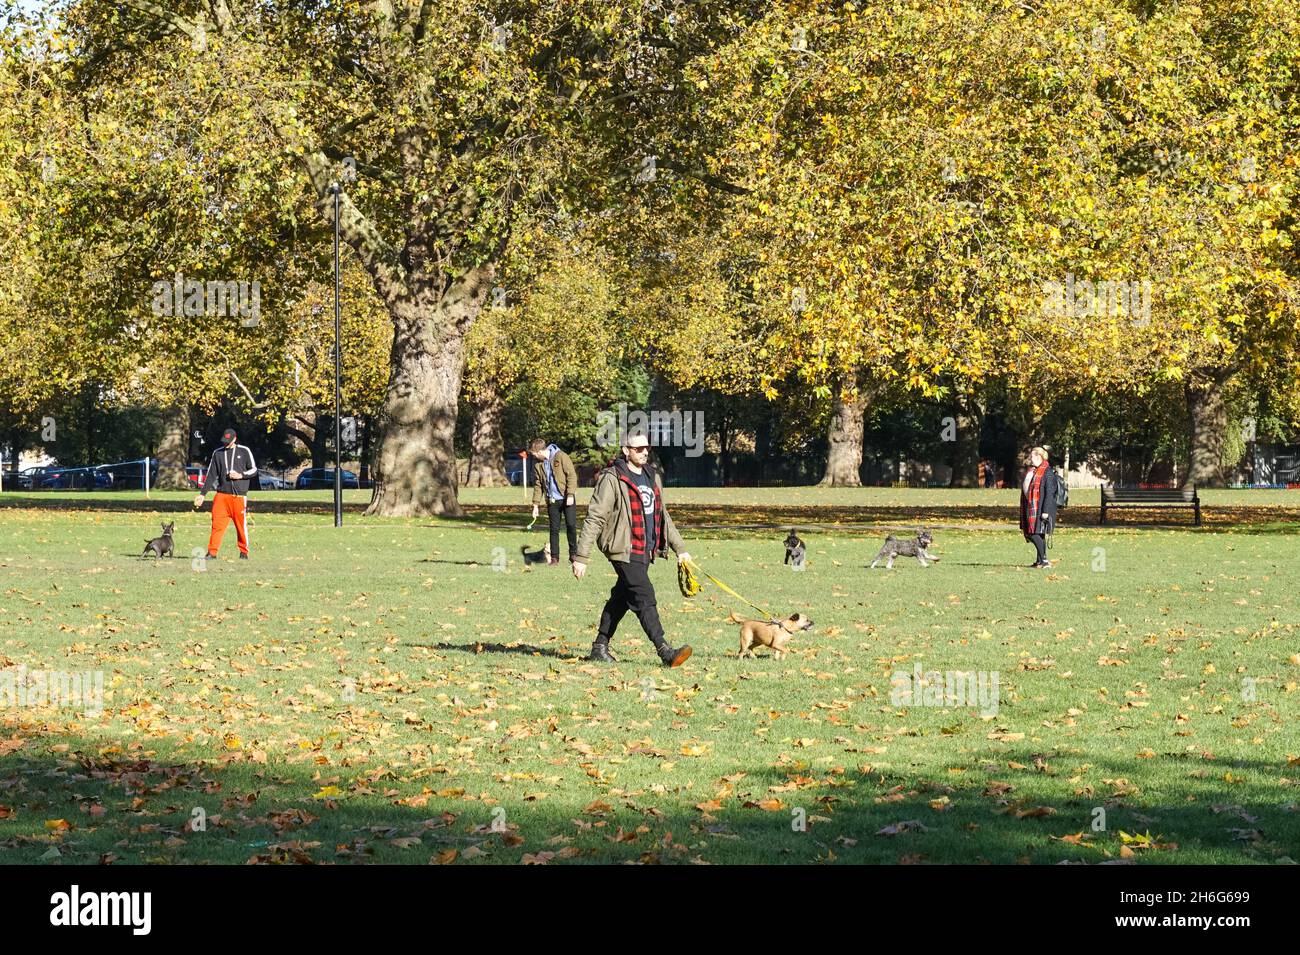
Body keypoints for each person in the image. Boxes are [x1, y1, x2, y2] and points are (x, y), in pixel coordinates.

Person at [572, 431, 693, 667]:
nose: (645, 452)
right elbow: (595, 517)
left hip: (646, 549)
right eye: (638, 448)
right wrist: (581, 556)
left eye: (647, 448)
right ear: (626, 450)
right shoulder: (612, 478)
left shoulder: (651, 476)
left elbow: (662, 516)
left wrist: (680, 548)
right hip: (623, 548)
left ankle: (599, 646)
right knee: (644, 595)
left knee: (621, 598)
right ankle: (665, 650)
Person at [193, 427, 258, 560]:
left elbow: (254, 470)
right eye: (224, 440)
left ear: (234, 439)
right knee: (217, 524)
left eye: (228, 441)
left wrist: (240, 475)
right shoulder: (218, 453)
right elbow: (211, 474)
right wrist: (202, 494)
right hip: (222, 495)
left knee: (240, 525)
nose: (225, 443)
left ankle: (243, 551)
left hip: (238, 496)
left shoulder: (244, 451)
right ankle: (212, 552)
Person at [529, 438, 579, 565]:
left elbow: (572, 475)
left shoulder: (561, 456)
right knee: (554, 529)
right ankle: (554, 558)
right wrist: (535, 505)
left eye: (534, 454)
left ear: (540, 451)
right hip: (552, 500)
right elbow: (538, 485)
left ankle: (573, 554)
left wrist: (570, 494)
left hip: (567, 498)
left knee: (571, 526)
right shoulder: (538, 465)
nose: (533, 456)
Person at [1019, 445, 1059, 568]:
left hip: (1042, 508)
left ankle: (1045, 561)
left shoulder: (1047, 472)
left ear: (1039, 456)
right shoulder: (1034, 471)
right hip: (1032, 507)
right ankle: (1039, 561)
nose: (1030, 459)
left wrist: (1045, 511)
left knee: (1033, 533)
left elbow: (1050, 493)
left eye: (1032, 456)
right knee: (1037, 533)